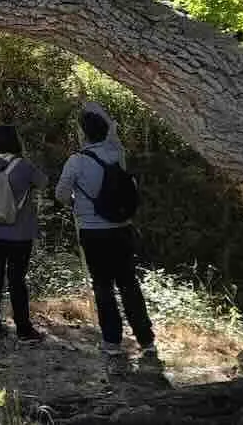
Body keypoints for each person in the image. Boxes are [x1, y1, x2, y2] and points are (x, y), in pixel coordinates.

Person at [55, 103, 156, 357]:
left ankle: (112, 342)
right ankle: (146, 340)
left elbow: (61, 195)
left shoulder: (76, 161)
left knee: (103, 286)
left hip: (93, 232)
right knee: (129, 284)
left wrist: (78, 202)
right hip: (122, 229)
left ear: (83, 134)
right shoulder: (117, 154)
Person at [0, 124, 49, 342]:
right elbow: (44, 183)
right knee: (17, 280)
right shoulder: (23, 166)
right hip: (19, 234)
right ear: (16, 142)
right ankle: (23, 330)